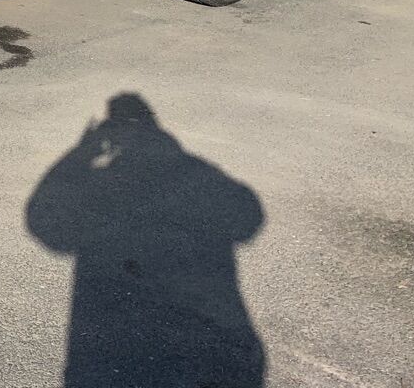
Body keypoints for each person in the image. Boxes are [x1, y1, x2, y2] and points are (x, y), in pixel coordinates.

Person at [27, 93, 265, 388]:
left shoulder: (100, 187)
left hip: (113, 357)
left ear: (112, 137)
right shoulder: (198, 175)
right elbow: (249, 218)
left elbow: (43, 222)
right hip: (208, 354)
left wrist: (80, 154)